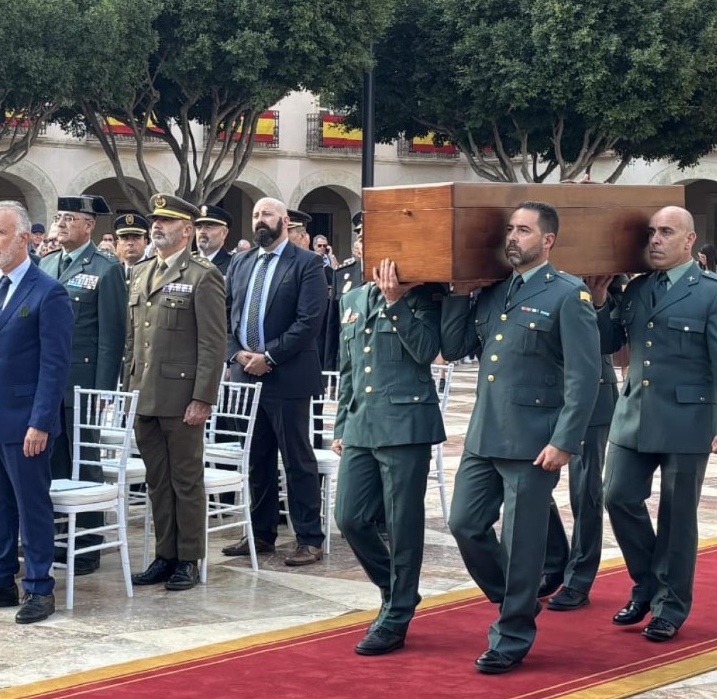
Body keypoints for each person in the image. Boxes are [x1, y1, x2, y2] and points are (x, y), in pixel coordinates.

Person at [440, 201, 601, 674]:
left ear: (547, 240)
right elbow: (454, 348)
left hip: (535, 442)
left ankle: (511, 635)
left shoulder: (569, 295)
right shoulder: (494, 292)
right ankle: (518, 598)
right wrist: (457, 293)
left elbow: (584, 377)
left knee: (522, 541)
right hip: (485, 433)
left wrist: (564, 441)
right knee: (464, 524)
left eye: (524, 230)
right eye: (510, 229)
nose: (513, 237)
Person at [596, 205, 717, 643]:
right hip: (634, 413)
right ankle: (647, 584)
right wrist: (604, 299)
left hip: (688, 418)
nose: (656, 240)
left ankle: (670, 606)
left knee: (677, 517)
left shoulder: (715, 292)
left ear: (689, 240)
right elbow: (610, 342)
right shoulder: (639, 289)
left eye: (666, 232)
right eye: (651, 233)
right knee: (617, 497)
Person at [0, 201, 73, 623]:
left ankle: (39, 587)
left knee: (31, 506)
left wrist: (41, 421)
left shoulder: (48, 292)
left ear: (24, 238)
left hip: (26, 423)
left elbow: (54, 365)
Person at [332, 259, 444, 655]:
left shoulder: (426, 294)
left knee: (402, 523)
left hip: (406, 422)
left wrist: (396, 303)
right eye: (361, 238)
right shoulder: (353, 296)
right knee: (349, 517)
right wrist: (341, 424)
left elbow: (428, 351)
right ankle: (394, 589)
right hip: (361, 424)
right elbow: (349, 368)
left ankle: (396, 616)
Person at [124, 193, 226, 591]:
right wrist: (127, 386)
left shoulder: (202, 275)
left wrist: (202, 397)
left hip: (181, 397)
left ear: (187, 229)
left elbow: (212, 343)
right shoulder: (140, 271)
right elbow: (133, 338)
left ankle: (189, 557)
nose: (156, 227)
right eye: (155, 221)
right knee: (156, 480)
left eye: (165, 221)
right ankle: (165, 555)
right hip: (144, 393)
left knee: (185, 480)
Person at [223, 197, 329, 565]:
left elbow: (309, 321)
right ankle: (261, 533)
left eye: (267, 214)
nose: (259, 220)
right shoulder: (241, 262)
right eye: (254, 215)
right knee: (256, 459)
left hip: (287, 377)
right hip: (245, 377)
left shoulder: (307, 263)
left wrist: (269, 357)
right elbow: (226, 315)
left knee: (297, 459)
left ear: (285, 221)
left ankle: (309, 538)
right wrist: (236, 353)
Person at [38, 194, 127, 575]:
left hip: (82, 383)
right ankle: (60, 535)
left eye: (70, 218)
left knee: (84, 465)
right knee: (52, 462)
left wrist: (102, 392)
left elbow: (112, 336)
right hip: (47, 383)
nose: (61, 224)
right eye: (58, 217)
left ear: (89, 226)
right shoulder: (46, 263)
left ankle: (87, 543)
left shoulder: (105, 269)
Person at [541, 275, 625, 610]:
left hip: (592, 397)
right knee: (530, 482)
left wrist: (600, 300)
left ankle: (579, 576)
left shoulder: (604, 272)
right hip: (541, 393)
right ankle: (554, 558)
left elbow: (610, 339)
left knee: (585, 492)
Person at [323, 214, 365, 372]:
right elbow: (332, 328)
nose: (361, 238)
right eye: (360, 235)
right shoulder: (343, 274)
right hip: (346, 364)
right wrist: (330, 375)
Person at [194, 205, 233, 275]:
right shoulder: (188, 263)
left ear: (224, 233)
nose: (202, 231)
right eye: (199, 227)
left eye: (209, 227)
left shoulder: (232, 266)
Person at [114, 211, 150, 280]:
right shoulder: (114, 273)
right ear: (118, 244)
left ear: (145, 242)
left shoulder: (154, 271)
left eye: (136, 237)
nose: (130, 243)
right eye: (125, 238)